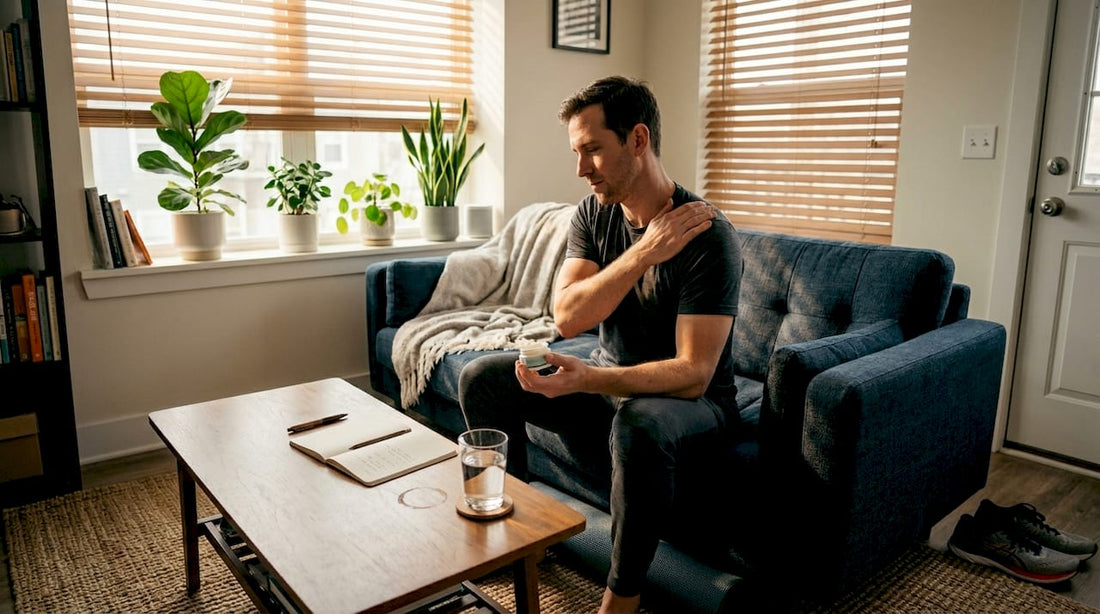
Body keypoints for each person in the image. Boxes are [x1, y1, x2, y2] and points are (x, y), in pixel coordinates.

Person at [459, 76, 742, 614]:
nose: (580, 168)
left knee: (639, 423)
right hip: (609, 379)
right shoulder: (594, 212)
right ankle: (522, 542)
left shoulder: (707, 234)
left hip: (692, 406)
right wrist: (641, 254)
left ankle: (620, 600)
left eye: (592, 149)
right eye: (577, 152)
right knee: (483, 377)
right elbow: (567, 316)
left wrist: (588, 378)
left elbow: (692, 373)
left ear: (637, 140)